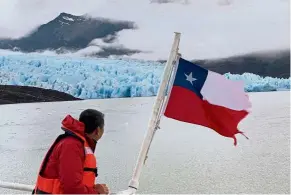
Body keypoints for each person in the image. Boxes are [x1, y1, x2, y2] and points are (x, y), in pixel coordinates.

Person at [32, 109, 109, 194]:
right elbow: (71, 188)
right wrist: (97, 193)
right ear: (98, 130)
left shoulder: (75, 143)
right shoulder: (72, 145)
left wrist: (93, 189)